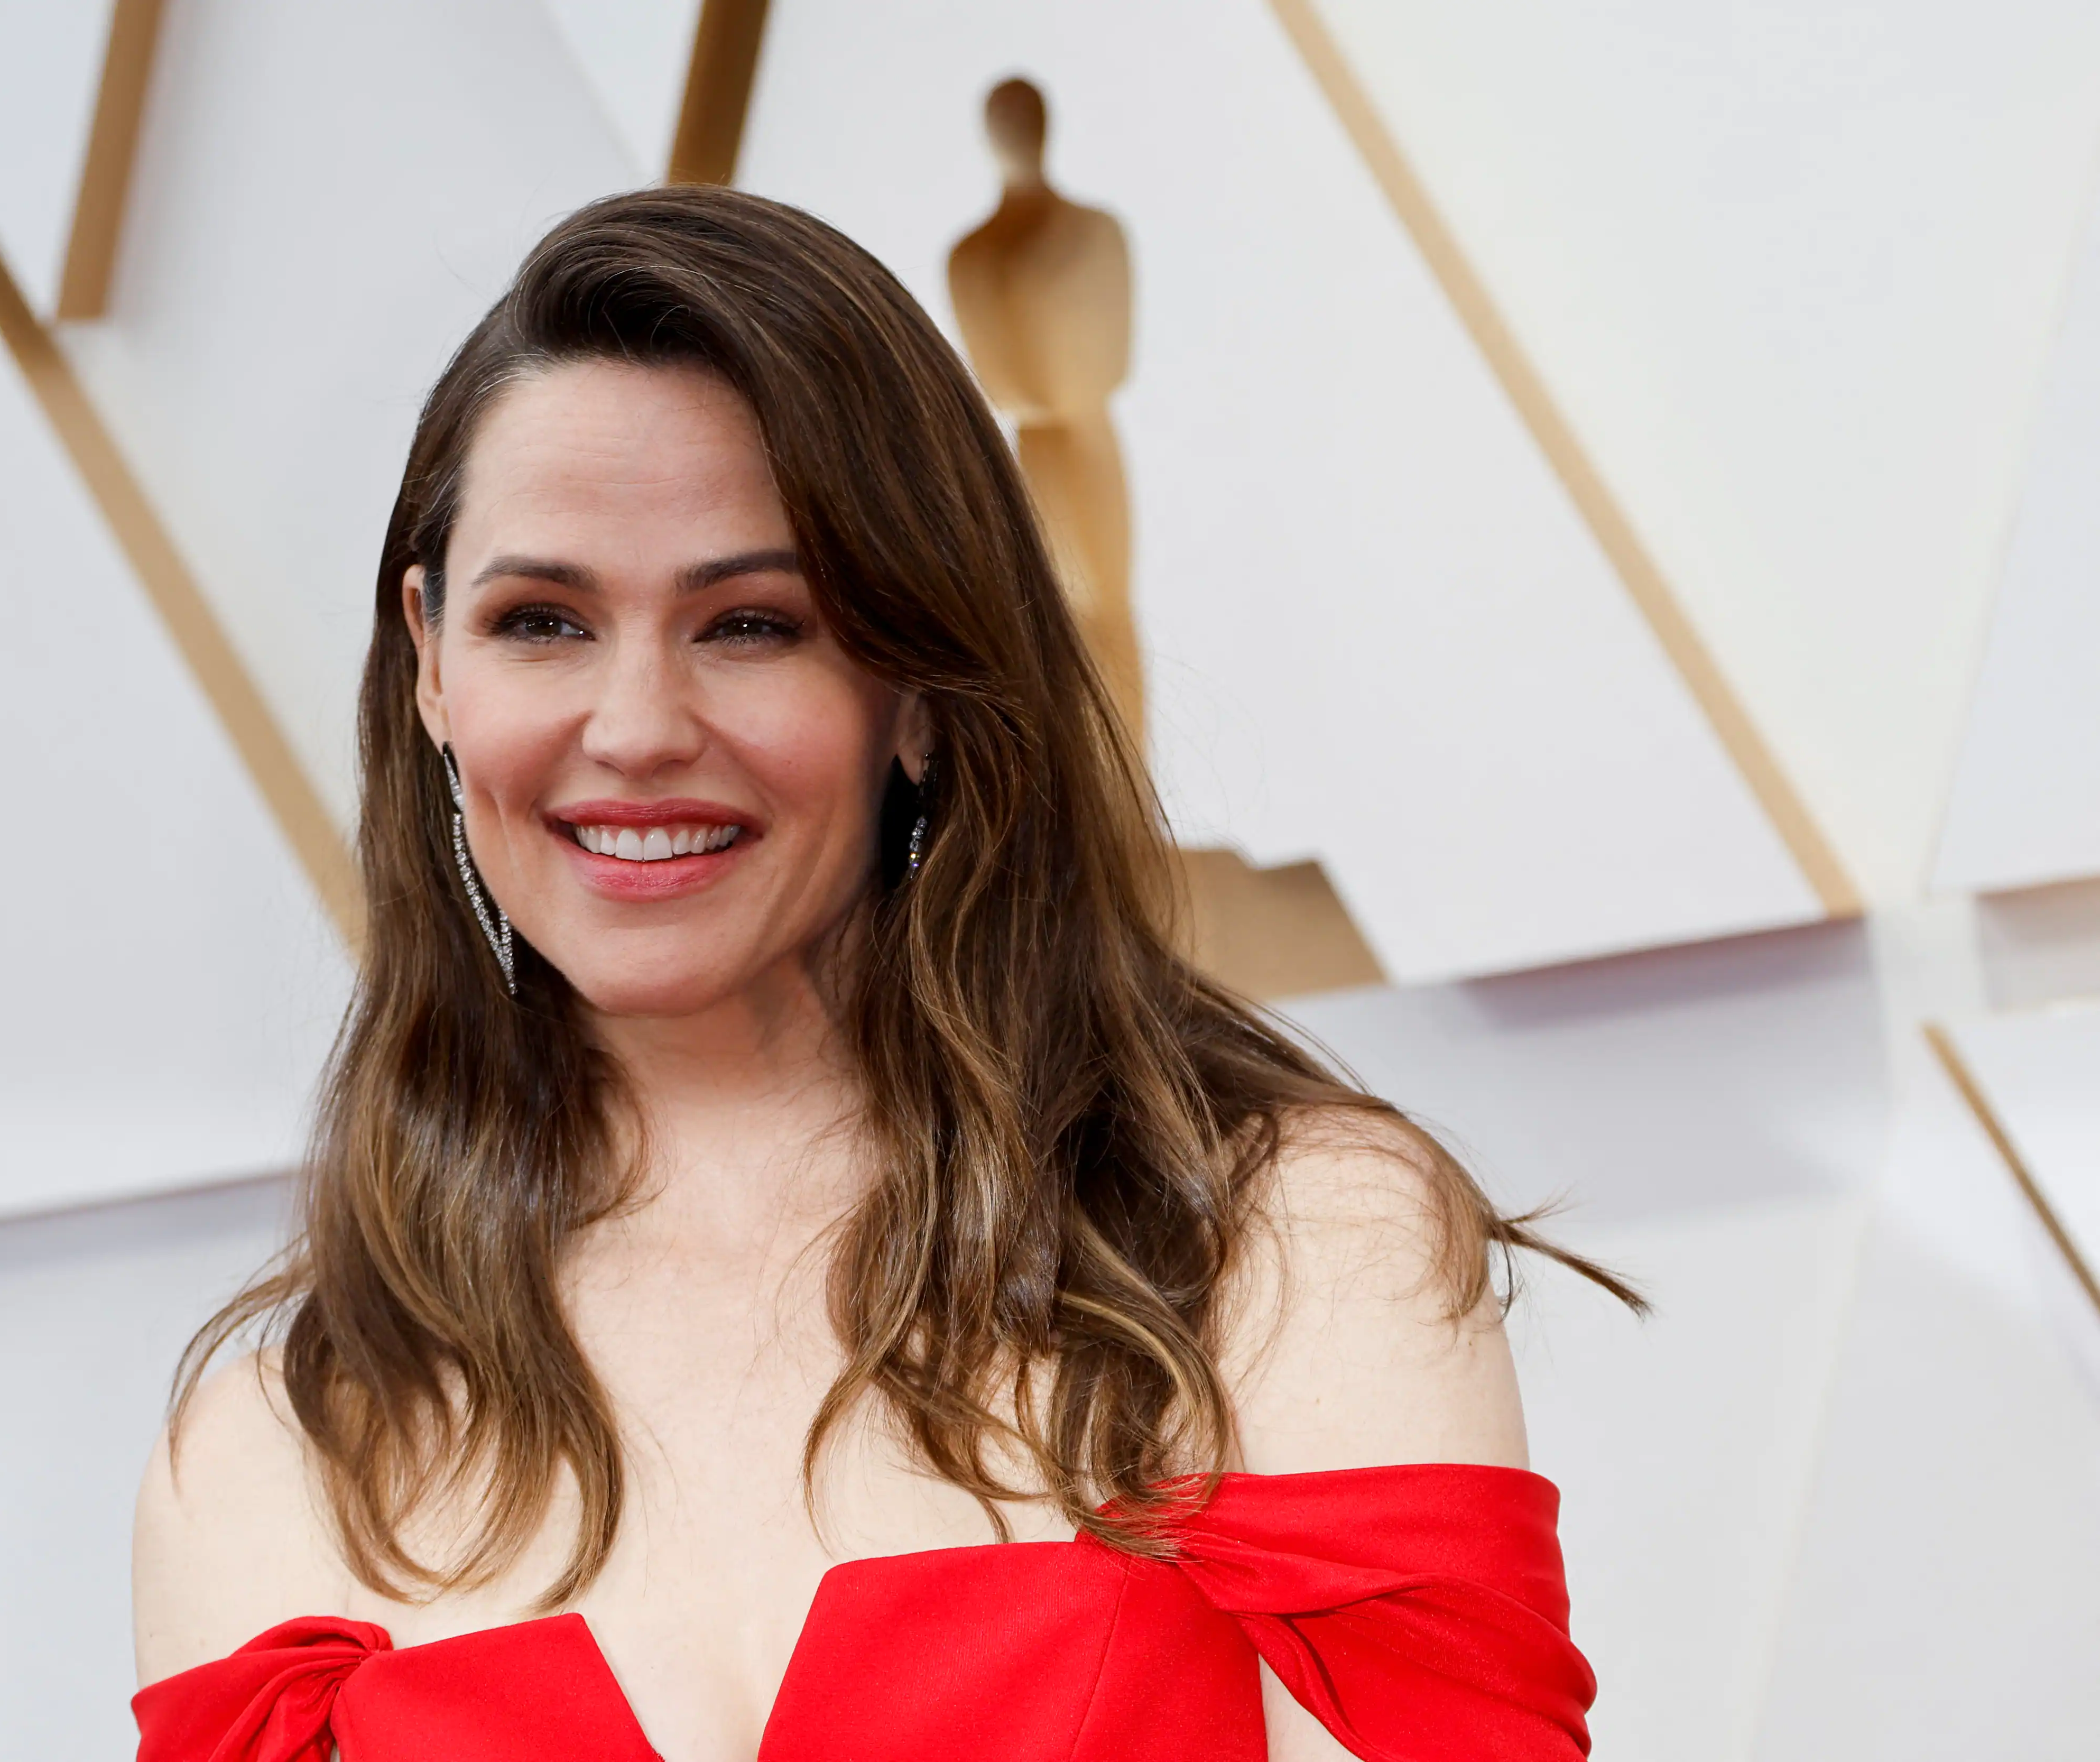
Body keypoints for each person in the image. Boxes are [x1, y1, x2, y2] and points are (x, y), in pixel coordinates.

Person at [128, 186, 1631, 1762]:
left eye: (751, 623)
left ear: (913, 686)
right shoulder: (261, 1464)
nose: (635, 726)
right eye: (544, 620)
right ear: (429, 660)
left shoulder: (1276, 1246)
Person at [948, 76, 1145, 746]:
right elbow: (1001, 383)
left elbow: (1113, 355)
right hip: (1043, 447)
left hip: (1088, 439)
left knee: (1111, 614)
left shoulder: (1095, 232)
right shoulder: (972, 258)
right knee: (1068, 620)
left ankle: (1129, 792)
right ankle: (1100, 793)